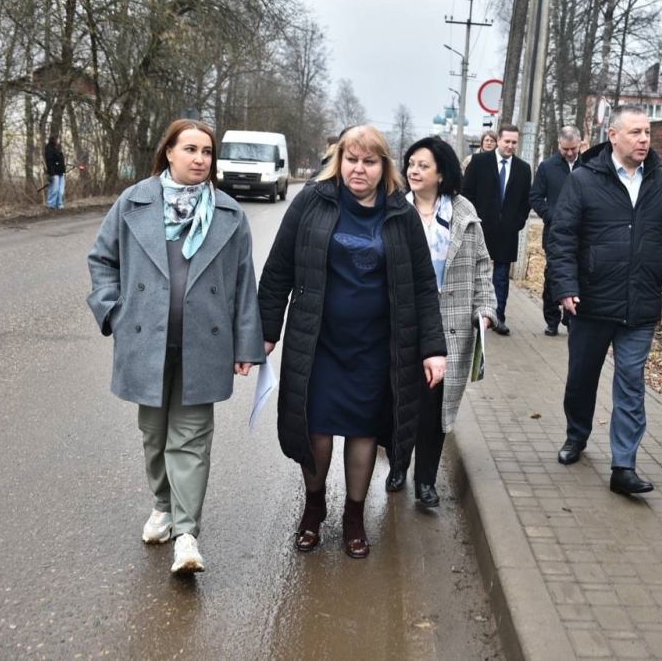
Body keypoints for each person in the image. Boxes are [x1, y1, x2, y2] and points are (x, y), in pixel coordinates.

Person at [257, 125, 447, 558]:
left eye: (369, 161)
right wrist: (266, 332)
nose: (358, 169)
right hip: (319, 343)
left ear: (384, 168)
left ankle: (355, 516)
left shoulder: (399, 216)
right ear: (339, 161)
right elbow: (278, 270)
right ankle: (314, 506)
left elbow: (421, 286)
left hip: (375, 347)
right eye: (351, 159)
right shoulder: (313, 201)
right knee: (316, 430)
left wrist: (433, 348)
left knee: (363, 430)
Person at [86, 119, 265, 574]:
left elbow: (244, 285)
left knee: (191, 437)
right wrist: (113, 311)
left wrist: (245, 344)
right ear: (168, 152)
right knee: (153, 432)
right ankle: (162, 508)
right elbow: (102, 259)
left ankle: (187, 533)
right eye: (190, 149)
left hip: (204, 344)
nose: (200, 159)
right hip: (146, 339)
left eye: (207, 151)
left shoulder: (228, 213)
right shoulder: (134, 202)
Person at [547, 106, 662, 495]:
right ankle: (576, 435)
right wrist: (564, 287)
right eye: (635, 132)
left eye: (647, 132)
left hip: (640, 303)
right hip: (591, 302)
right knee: (582, 377)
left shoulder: (661, 183)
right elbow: (561, 238)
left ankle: (623, 465)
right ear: (613, 135)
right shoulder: (583, 180)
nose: (644, 139)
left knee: (631, 382)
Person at [384, 136, 498, 506]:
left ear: (442, 173)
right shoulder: (393, 211)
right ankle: (398, 465)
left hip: (451, 324)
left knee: (435, 406)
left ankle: (426, 482)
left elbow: (483, 266)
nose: (414, 171)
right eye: (411, 164)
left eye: (423, 165)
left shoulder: (464, 214)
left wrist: (486, 309)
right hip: (401, 321)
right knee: (401, 399)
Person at [462, 124, 532, 336]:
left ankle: (498, 316)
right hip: (480, 228)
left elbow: (525, 201)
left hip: (507, 231)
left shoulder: (523, 168)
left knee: (501, 276)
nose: (510, 146)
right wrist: (473, 220)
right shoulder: (479, 162)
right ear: (498, 140)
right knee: (474, 272)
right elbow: (467, 193)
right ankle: (471, 314)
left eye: (514, 142)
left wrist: (517, 222)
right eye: (506, 141)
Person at [530, 125, 582, 336]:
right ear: (559, 144)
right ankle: (551, 319)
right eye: (565, 149)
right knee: (554, 275)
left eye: (573, 149)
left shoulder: (589, 166)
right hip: (554, 233)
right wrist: (552, 217)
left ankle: (571, 317)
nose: (569, 153)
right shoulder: (547, 167)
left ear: (580, 144)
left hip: (581, 233)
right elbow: (535, 197)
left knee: (577, 275)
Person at [45, 135, 66, 209]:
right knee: (54, 189)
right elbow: (49, 162)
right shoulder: (49, 149)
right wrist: (52, 173)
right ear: (53, 140)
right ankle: (51, 205)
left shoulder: (57, 149)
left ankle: (59, 204)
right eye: (57, 139)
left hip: (60, 172)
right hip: (54, 173)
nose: (58, 141)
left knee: (61, 191)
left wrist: (63, 170)